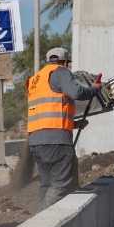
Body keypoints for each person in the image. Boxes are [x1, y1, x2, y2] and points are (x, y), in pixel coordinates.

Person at [27, 47, 101, 210]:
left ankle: (38, 218)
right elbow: (76, 92)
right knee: (62, 184)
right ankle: (42, 218)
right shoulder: (61, 72)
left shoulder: (36, 79)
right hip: (57, 143)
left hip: (36, 142)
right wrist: (94, 89)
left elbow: (45, 114)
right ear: (65, 62)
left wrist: (73, 124)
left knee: (47, 184)